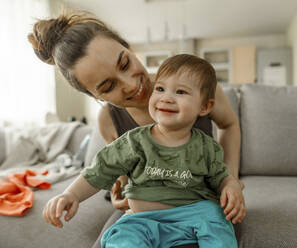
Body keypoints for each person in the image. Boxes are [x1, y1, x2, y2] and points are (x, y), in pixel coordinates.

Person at [28, 12, 245, 247]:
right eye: (109, 86)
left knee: (217, 226)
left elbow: (229, 125)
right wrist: (114, 191)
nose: (132, 85)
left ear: (128, 47)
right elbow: (111, 170)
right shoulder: (111, 122)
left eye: (125, 63)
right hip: (145, 218)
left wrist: (229, 181)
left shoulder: (194, 85)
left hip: (198, 207)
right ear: (95, 96)